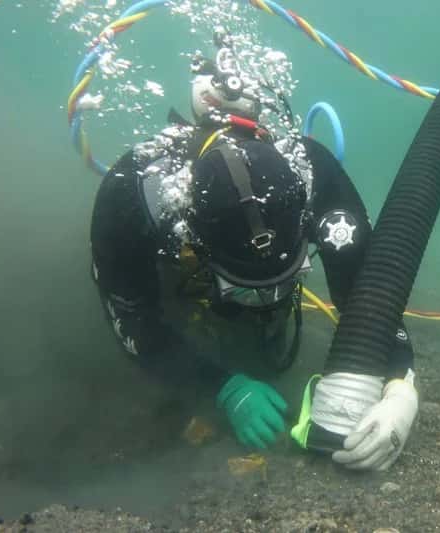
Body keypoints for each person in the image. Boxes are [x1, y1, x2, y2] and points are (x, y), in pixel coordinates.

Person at [89, 37, 418, 470]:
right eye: (248, 290)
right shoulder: (132, 195)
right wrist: (219, 387)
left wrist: (401, 384)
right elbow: (131, 317)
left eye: (287, 276)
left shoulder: (313, 174)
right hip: (183, 291)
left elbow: (368, 283)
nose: (269, 297)